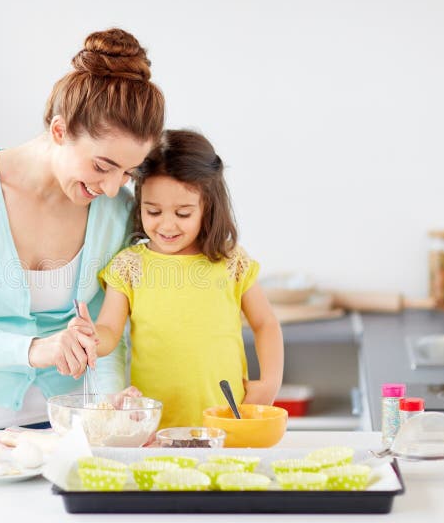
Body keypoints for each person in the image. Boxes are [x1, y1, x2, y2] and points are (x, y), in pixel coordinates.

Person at [0, 28, 165, 430]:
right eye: (101, 166)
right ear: (59, 131)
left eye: (128, 173)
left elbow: (106, 332)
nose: (112, 187)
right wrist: (34, 349)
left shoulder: (117, 210)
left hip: (73, 419)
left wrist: (109, 406)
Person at [71, 129, 284, 428]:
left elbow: (266, 324)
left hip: (225, 423)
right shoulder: (129, 266)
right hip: (154, 427)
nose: (166, 225)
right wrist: (93, 337)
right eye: (153, 211)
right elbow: (109, 329)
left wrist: (271, 382)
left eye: (183, 213)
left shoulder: (231, 261)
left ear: (207, 207)